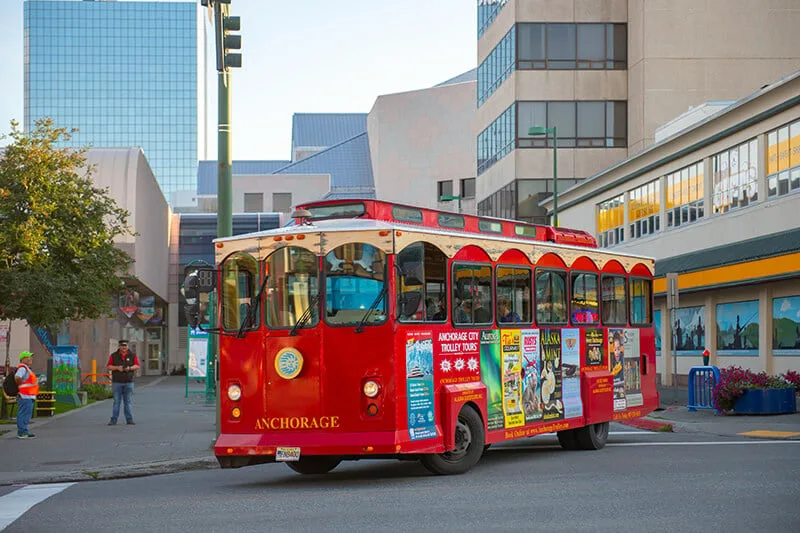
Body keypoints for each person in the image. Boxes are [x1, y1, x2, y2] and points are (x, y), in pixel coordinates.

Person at [107, 340, 140, 425]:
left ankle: (129, 419)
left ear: (127, 346)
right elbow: (109, 366)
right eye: (122, 346)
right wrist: (117, 368)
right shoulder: (114, 356)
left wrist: (129, 368)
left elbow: (137, 365)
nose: (124, 347)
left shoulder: (132, 355)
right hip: (117, 382)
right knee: (116, 401)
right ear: (119, 346)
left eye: (125, 346)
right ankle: (114, 419)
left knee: (127, 401)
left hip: (128, 382)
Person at [14, 351, 38, 439]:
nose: (30, 358)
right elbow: (17, 377)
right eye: (28, 357)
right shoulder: (23, 368)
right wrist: (21, 387)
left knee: (26, 414)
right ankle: (22, 432)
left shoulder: (26, 368)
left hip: (28, 396)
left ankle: (24, 430)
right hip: (25, 396)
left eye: (31, 357)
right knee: (24, 414)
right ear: (23, 359)